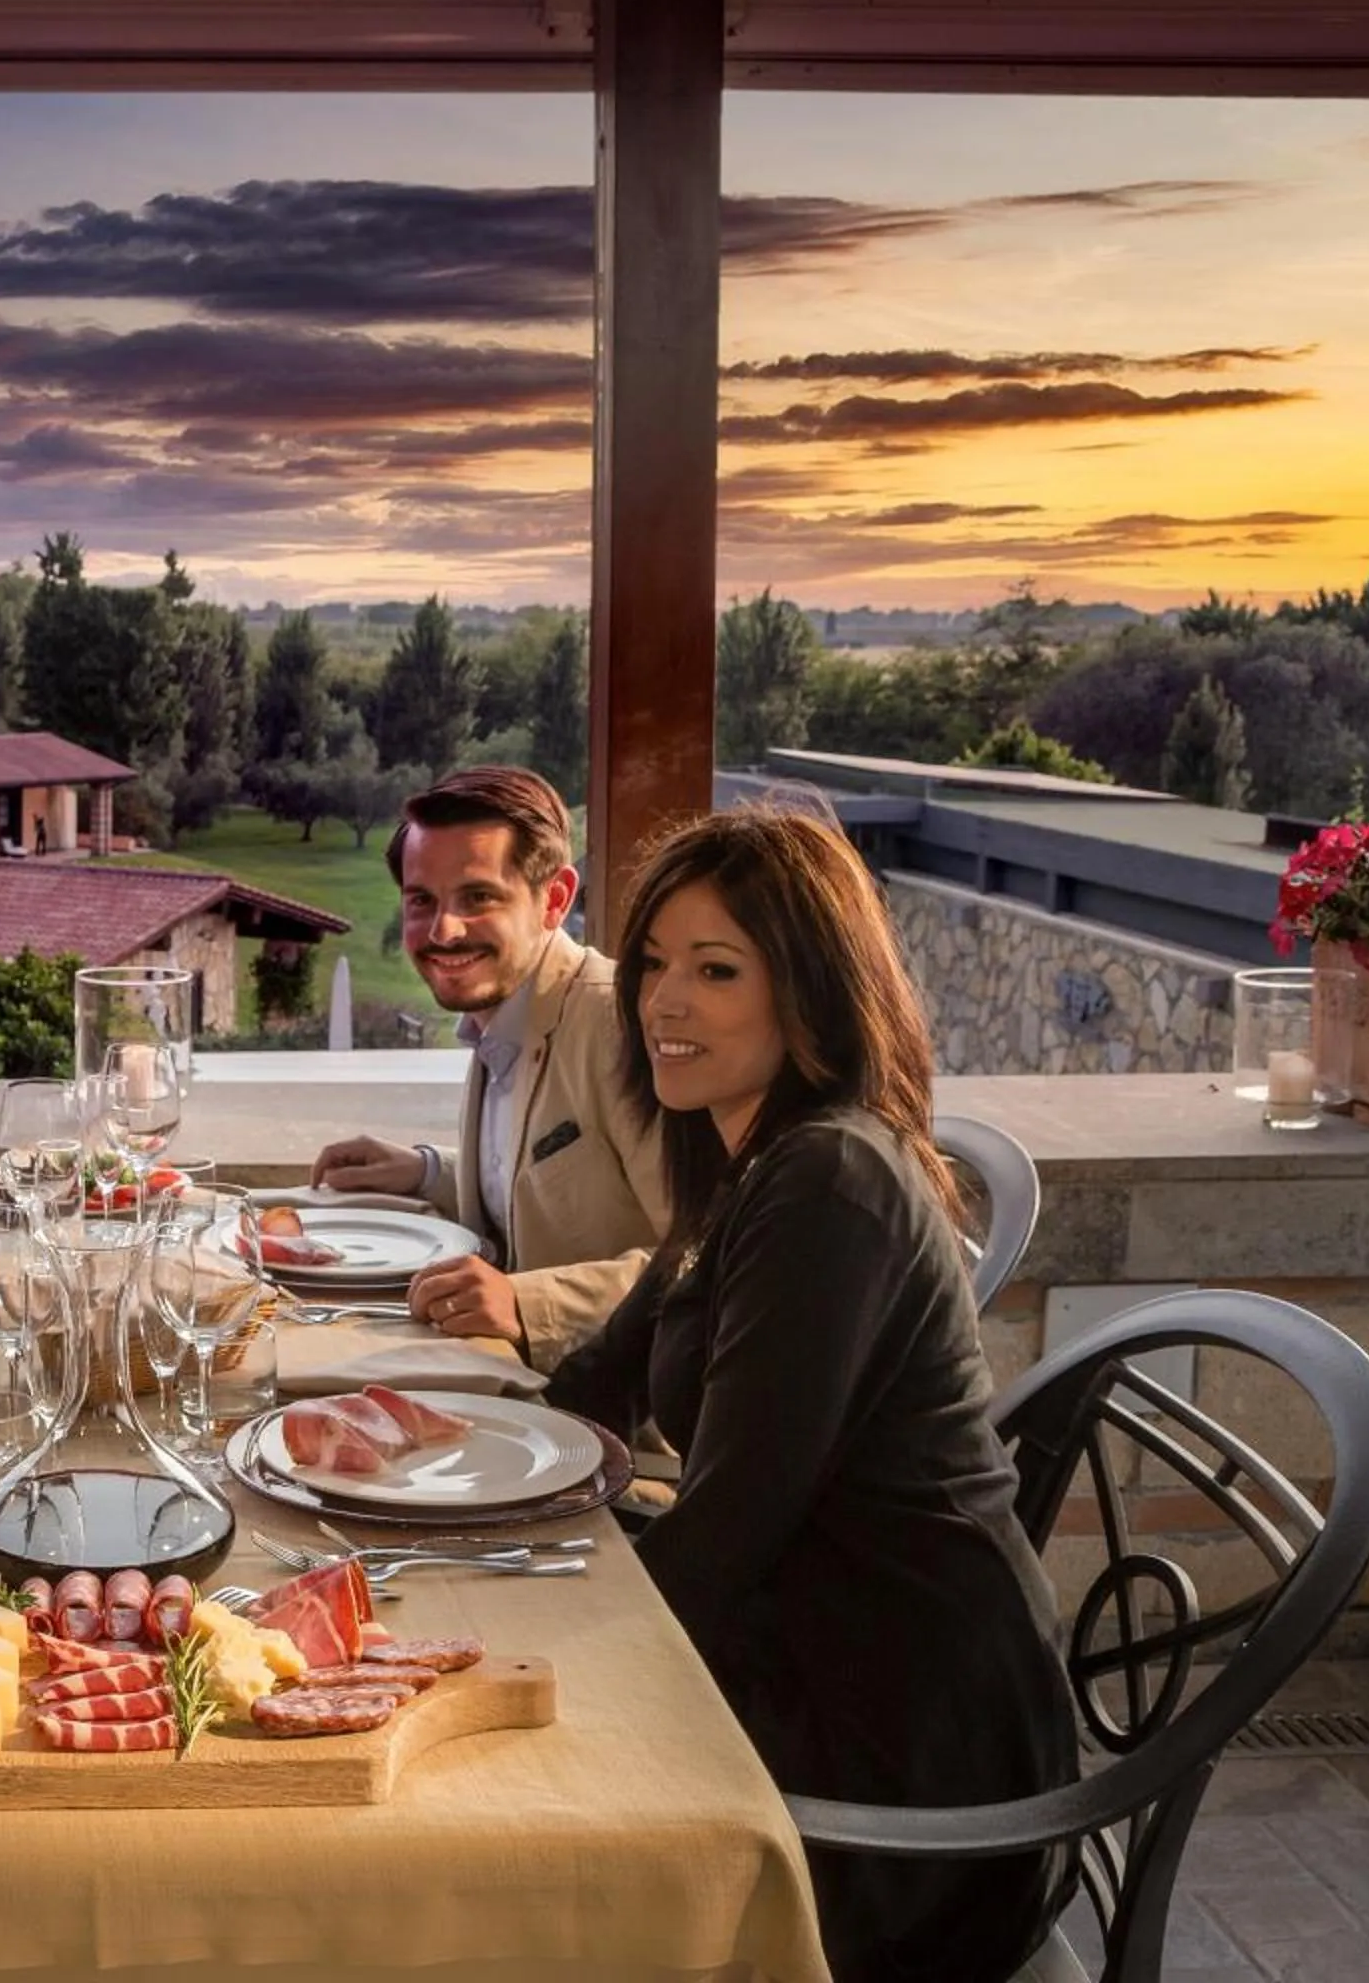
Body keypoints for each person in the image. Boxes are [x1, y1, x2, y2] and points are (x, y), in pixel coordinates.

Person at [543, 804, 1076, 1981]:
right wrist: (417, 1461)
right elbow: (594, 1384)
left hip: (902, 1763)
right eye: (655, 967)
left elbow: (730, 1529)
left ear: (810, 991)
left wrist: (521, 1647)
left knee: (506, 1843)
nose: (663, 1004)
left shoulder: (828, 1177)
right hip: (814, 1650)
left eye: (716, 970)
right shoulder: (747, 1157)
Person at [307, 766, 667, 1368]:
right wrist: (426, 1173)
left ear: (554, 899)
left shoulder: (619, 1025)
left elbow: (706, 1259)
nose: (443, 931)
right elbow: (548, 1184)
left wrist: (528, 1303)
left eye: (478, 897)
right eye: (423, 901)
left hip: (614, 1426)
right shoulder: (499, 1017)